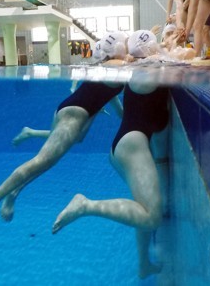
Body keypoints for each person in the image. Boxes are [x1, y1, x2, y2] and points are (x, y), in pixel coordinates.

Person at [0, 31, 129, 231]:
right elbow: (120, 67)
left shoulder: (114, 74)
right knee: (41, 161)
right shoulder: (113, 67)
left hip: (72, 111)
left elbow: (119, 110)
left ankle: (24, 154)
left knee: (54, 155)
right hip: (74, 114)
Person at [52, 81, 169, 279]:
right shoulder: (145, 76)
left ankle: (144, 265)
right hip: (130, 147)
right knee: (151, 217)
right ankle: (86, 205)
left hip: (128, 147)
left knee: (141, 207)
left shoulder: (148, 82)